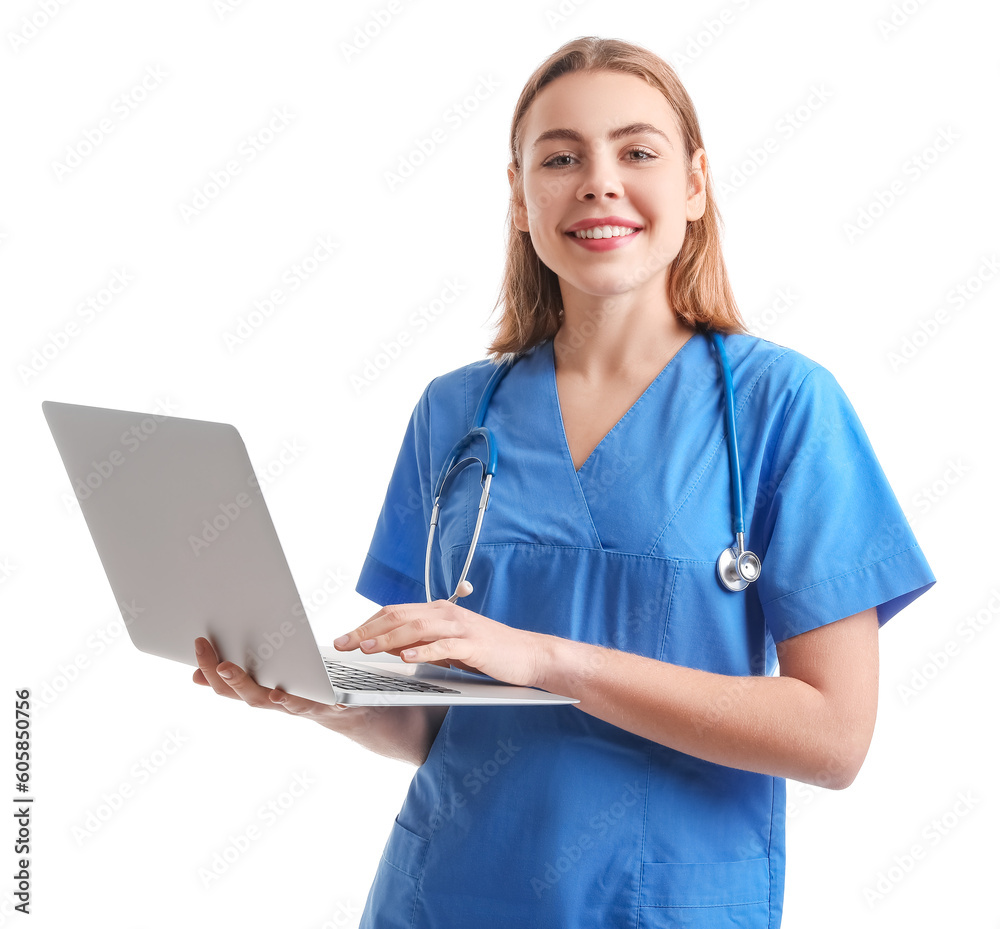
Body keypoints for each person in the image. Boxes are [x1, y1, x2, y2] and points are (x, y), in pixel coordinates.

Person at [193, 36, 935, 928]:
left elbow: (833, 738)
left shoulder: (785, 407)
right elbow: (437, 725)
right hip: (446, 895)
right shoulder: (456, 410)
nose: (599, 181)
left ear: (694, 185)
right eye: (560, 158)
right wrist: (320, 699)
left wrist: (548, 659)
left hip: (661, 902)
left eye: (638, 151)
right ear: (519, 197)